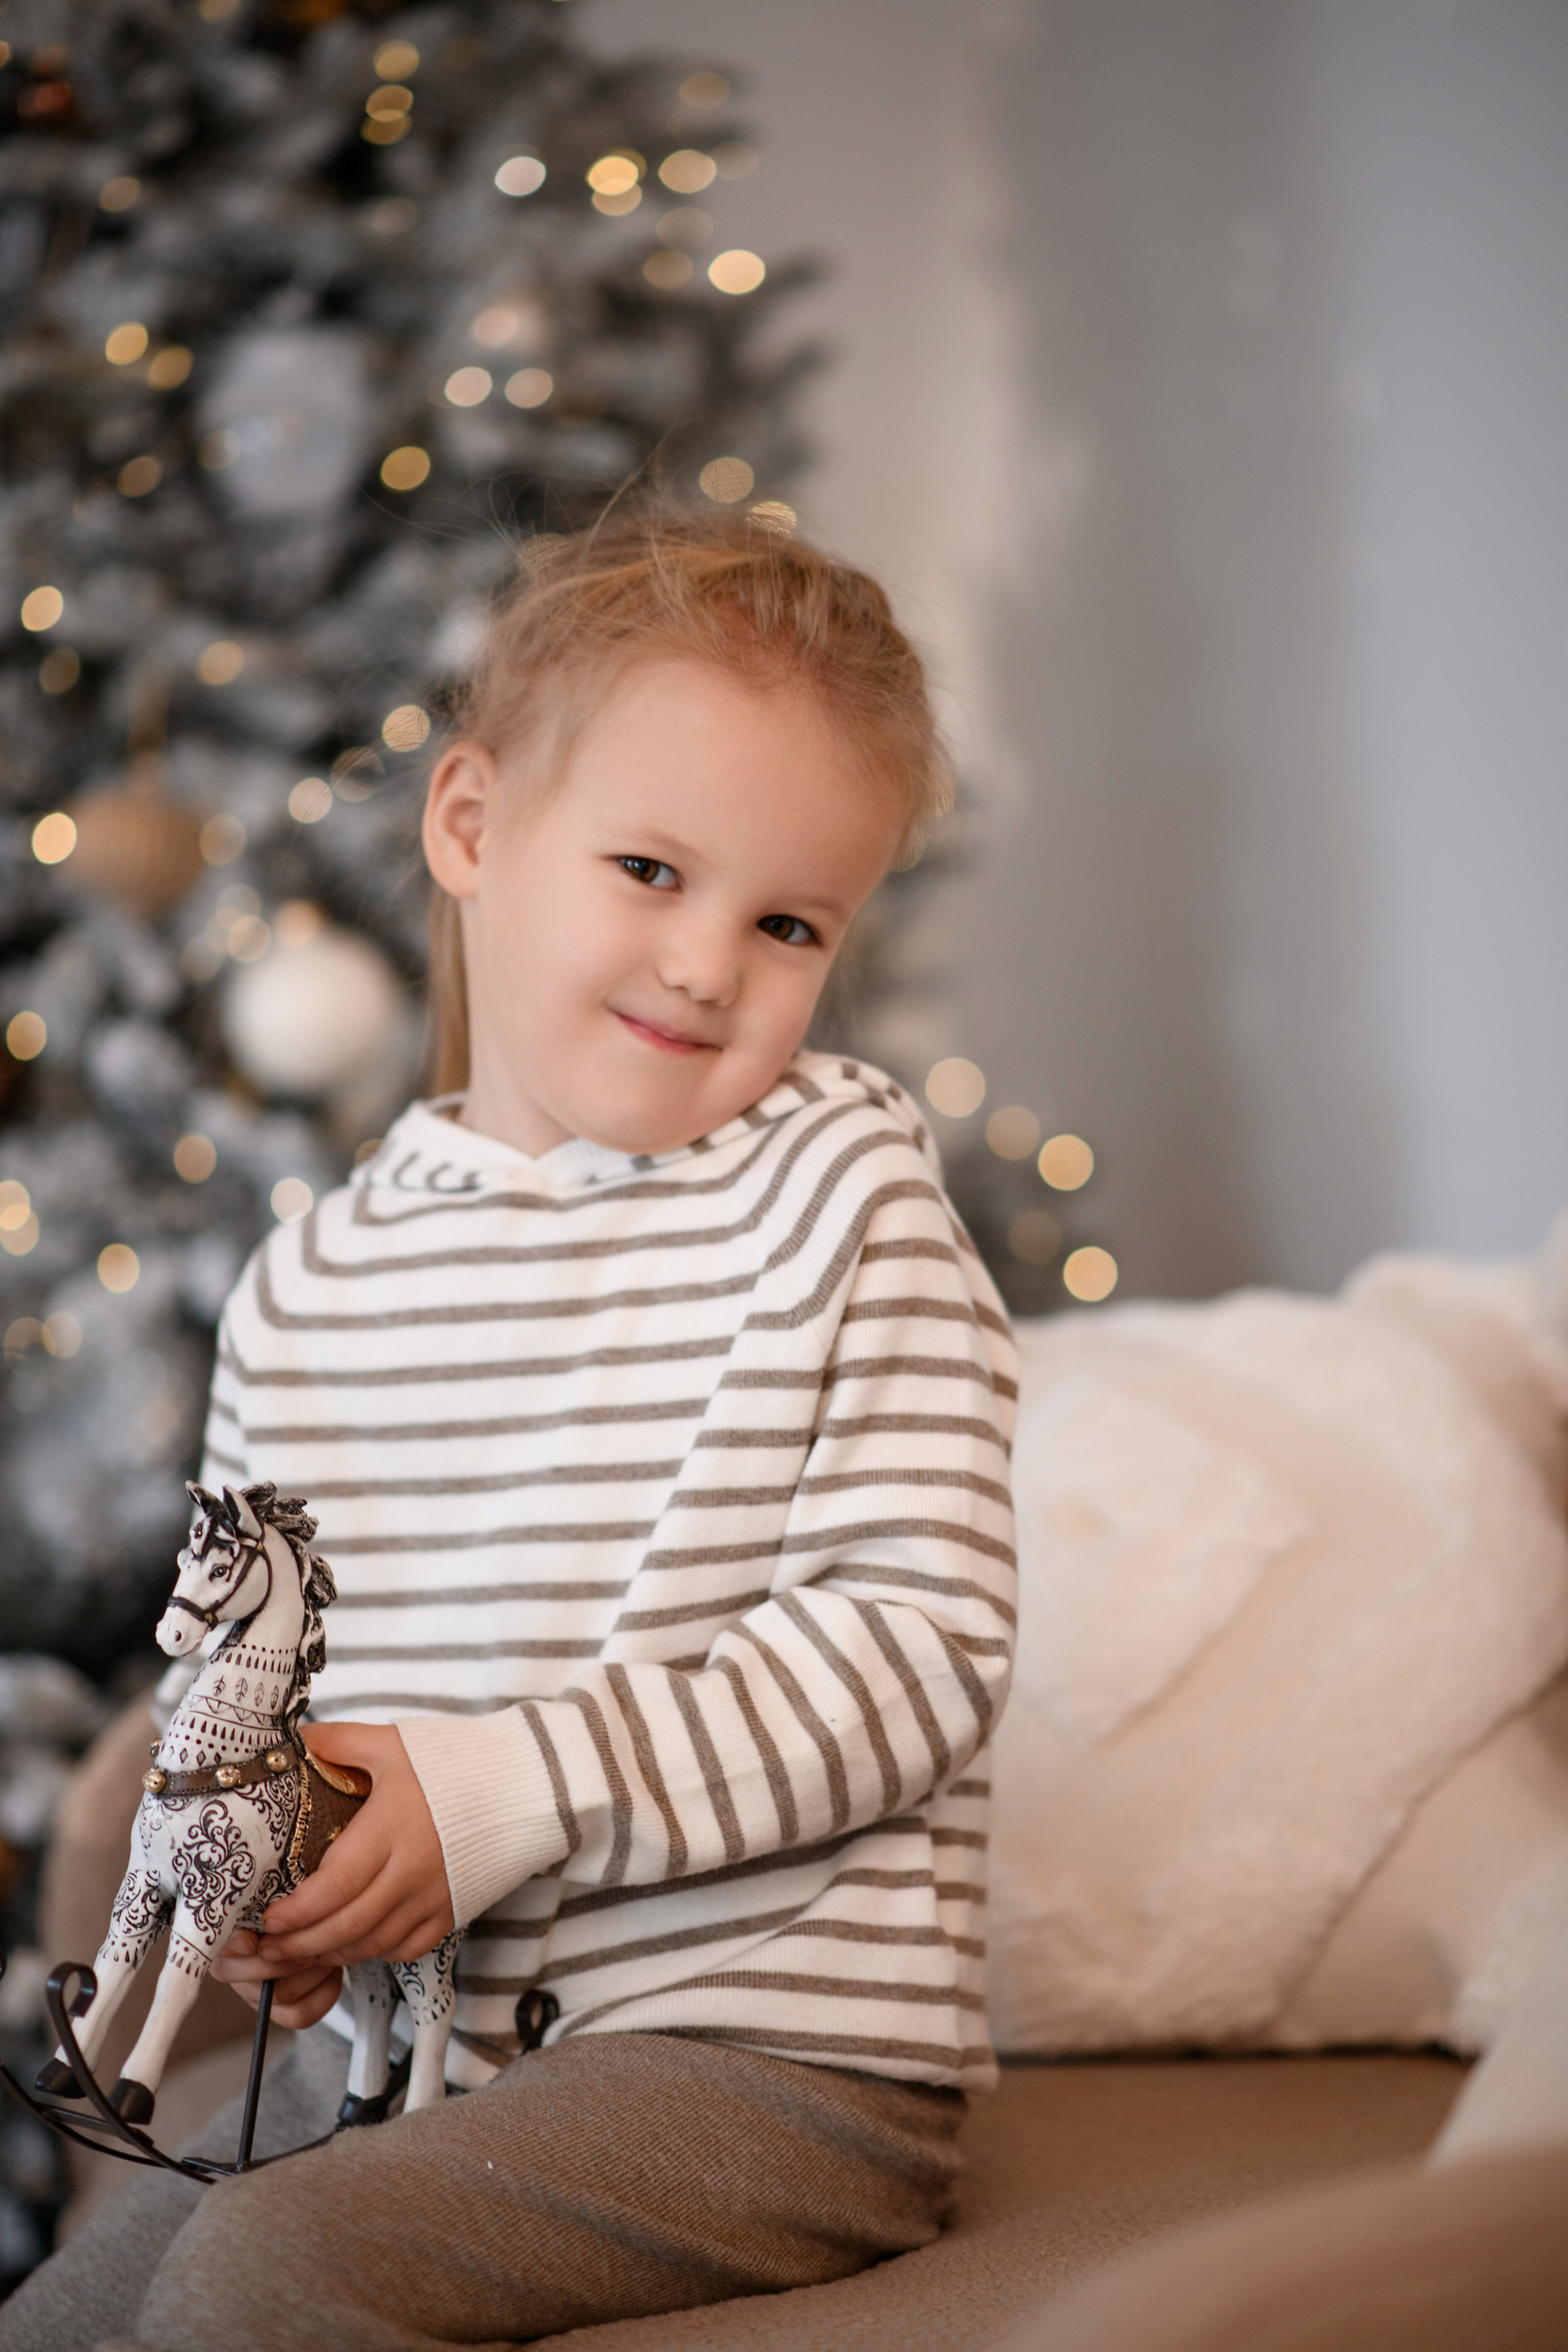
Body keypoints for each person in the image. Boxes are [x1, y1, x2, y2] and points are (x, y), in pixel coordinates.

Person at [3, 508, 1017, 2352]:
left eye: (788, 920)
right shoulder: (308, 1287)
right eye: (651, 869)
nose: (709, 963)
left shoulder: (842, 1189)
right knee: (71, 2315)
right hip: (418, 2069)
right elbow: (266, 1695)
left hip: (761, 2061)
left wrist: (501, 1795)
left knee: (273, 2279)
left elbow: (919, 1646)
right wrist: (284, 1884)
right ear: (471, 827)